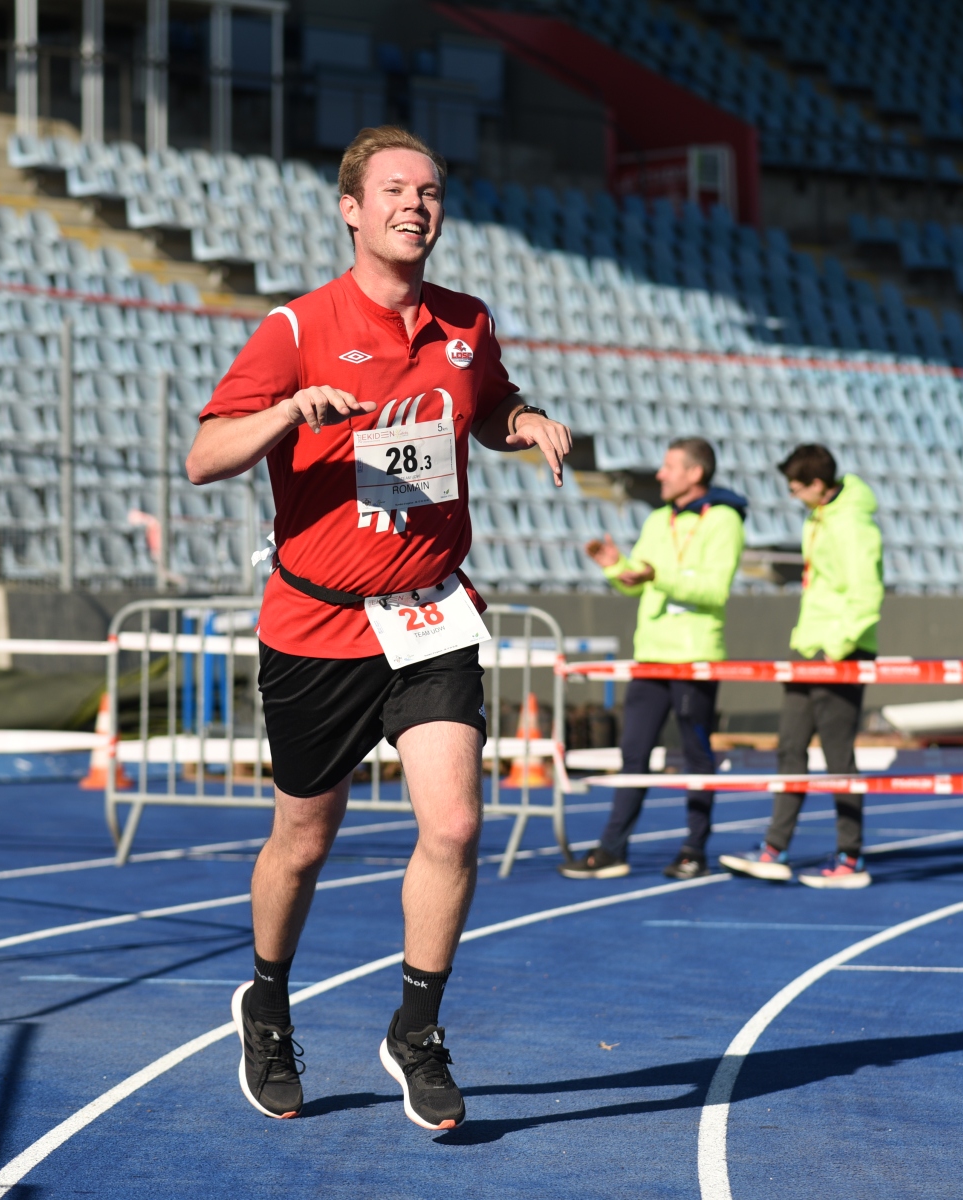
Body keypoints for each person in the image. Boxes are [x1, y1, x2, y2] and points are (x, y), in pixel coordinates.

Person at [187, 126, 573, 1130]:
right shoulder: (295, 327)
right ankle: (266, 1003)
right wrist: (288, 413)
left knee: (454, 825)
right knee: (303, 839)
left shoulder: (465, 321)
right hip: (318, 623)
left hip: (428, 613)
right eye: (395, 189)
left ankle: (418, 1028)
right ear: (351, 209)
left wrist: (523, 423)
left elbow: (487, 405)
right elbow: (204, 457)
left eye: (430, 190)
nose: (415, 204)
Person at [561, 437, 746, 881]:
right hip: (650, 656)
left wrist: (656, 576)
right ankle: (612, 849)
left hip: (695, 656)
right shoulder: (659, 518)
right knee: (633, 754)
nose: (660, 474)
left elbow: (714, 590)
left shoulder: (724, 520)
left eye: (669, 466)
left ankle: (693, 851)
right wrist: (614, 566)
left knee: (696, 756)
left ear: (695, 473)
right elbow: (637, 583)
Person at [720, 444, 883, 889]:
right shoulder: (819, 517)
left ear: (817, 484)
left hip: (839, 652)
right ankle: (775, 848)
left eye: (796, 488)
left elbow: (867, 592)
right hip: (809, 647)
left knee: (837, 756)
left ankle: (850, 857)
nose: (792, 496)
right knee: (790, 747)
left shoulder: (852, 523)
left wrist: (839, 647)